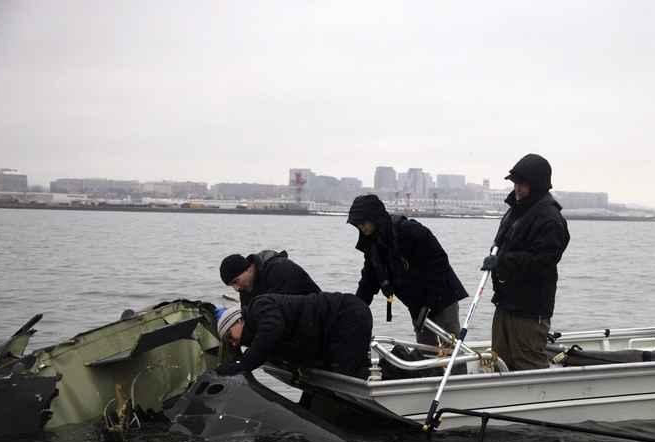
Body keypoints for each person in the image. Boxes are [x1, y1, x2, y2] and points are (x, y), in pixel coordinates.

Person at [480, 153, 570, 371]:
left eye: (523, 184)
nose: (517, 189)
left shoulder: (550, 218)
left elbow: (543, 260)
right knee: (499, 361)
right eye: (515, 183)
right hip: (505, 303)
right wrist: (495, 257)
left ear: (537, 185)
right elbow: (501, 244)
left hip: (530, 309)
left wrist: (502, 261)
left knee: (528, 364)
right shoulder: (515, 211)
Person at [347, 194, 468, 347]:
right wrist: (355, 310)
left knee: (451, 343)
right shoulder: (372, 246)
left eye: (364, 222)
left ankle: (457, 371)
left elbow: (440, 262)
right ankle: (429, 371)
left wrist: (429, 301)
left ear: (375, 217)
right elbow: (368, 283)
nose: (361, 227)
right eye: (357, 224)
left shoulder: (408, 230)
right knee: (425, 348)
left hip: (442, 296)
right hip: (417, 304)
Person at [214, 292, 372, 378]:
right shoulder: (257, 331)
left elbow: (272, 329)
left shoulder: (259, 306)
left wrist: (243, 364)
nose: (233, 343)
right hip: (335, 327)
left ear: (238, 321)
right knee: (342, 371)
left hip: (346, 315)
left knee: (349, 374)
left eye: (229, 337)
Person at [219, 250, 320, 307]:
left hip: (317, 319)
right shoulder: (246, 287)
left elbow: (278, 311)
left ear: (248, 268)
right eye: (232, 285)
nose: (236, 288)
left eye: (236, 281)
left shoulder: (280, 269)